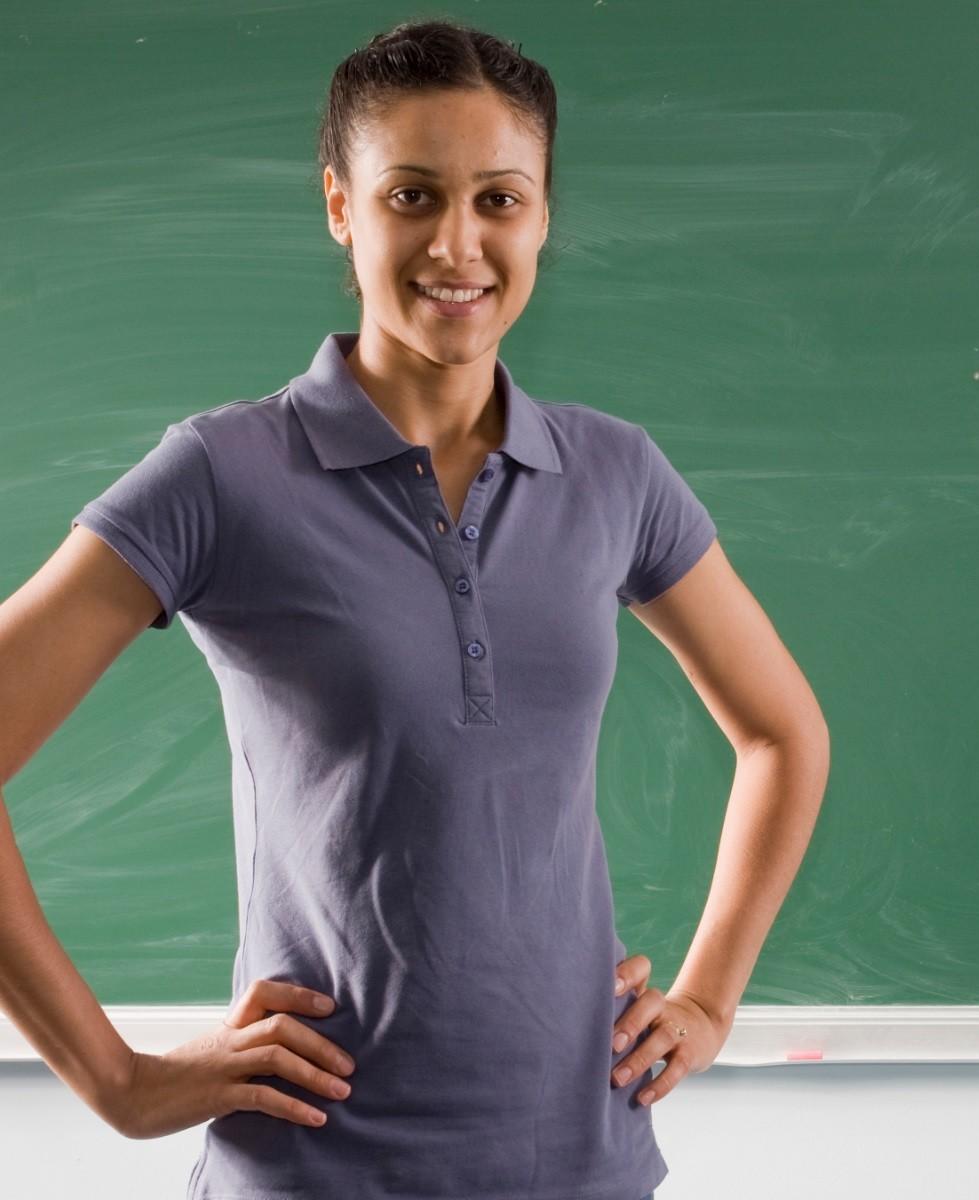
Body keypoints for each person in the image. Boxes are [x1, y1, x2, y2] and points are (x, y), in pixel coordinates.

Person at [0, 18, 829, 1200]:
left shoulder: (614, 474)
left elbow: (783, 732)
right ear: (342, 207)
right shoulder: (224, 476)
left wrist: (706, 997)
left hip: (580, 1166)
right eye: (412, 196)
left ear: (543, 215)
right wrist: (119, 1082)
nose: (459, 243)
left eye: (500, 199)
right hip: (315, 1174)